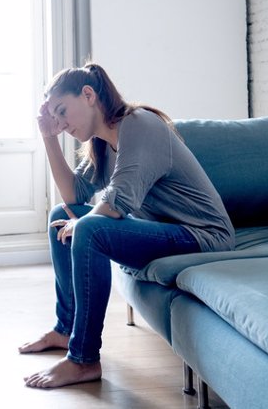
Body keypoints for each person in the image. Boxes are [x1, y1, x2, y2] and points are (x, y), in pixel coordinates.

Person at [19, 62, 235, 389]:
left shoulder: (139, 125)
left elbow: (118, 204)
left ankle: (84, 359)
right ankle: (66, 330)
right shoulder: (103, 143)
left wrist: (84, 224)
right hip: (166, 232)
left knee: (89, 229)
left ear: (88, 95)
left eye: (62, 112)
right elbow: (73, 194)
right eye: (56, 118)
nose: (61, 124)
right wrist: (48, 138)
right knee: (59, 219)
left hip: (203, 235)